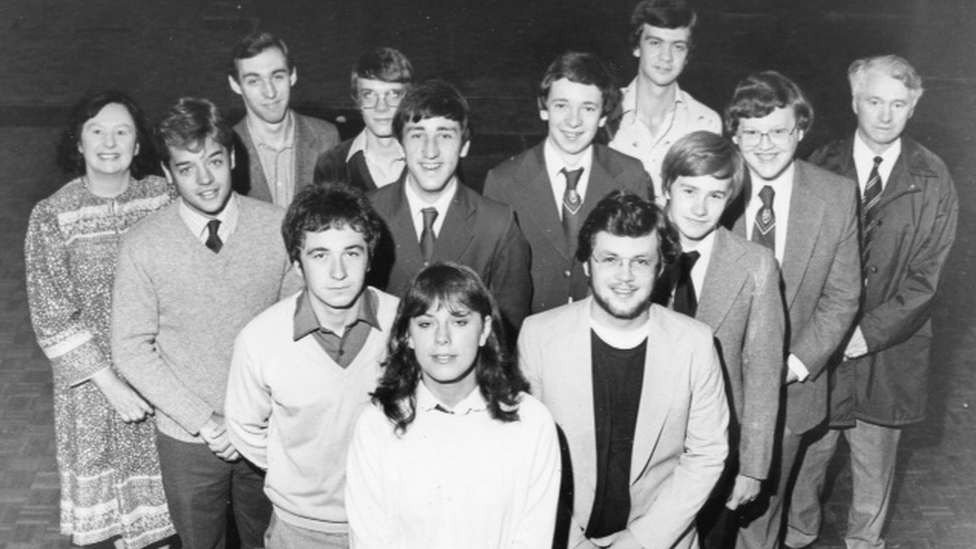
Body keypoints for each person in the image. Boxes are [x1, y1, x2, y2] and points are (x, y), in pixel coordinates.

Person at [112, 97, 302, 549]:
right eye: (186, 167)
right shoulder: (142, 245)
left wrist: (253, 418)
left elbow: (294, 330)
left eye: (214, 161)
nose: (204, 179)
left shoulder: (278, 229)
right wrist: (206, 421)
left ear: (232, 158)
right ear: (167, 172)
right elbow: (131, 348)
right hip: (188, 439)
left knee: (268, 541)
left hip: (265, 430)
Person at [785, 55, 959, 549]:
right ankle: (797, 537)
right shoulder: (819, 165)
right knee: (806, 465)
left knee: (873, 472)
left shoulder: (932, 178)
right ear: (854, 101)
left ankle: (866, 544)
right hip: (822, 353)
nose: (885, 115)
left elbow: (928, 279)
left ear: (913, 108)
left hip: (890, 352)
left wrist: (867, 334)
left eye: (898, 104)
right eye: (875, 101)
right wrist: (827, 337)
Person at [519, 191, 729, 549]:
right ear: (587, 264)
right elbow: (526, 457)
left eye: (641, 262)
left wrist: (640, 542)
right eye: (610, 259)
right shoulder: (538, 336)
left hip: (661, 540)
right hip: (562, 537)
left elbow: (708, 454)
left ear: (660, 267)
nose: (625, 276)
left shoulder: (695, 343)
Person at [25, 91, 176, 549]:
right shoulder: (53, 213)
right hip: (91, 395)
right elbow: (50, 314)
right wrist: (111, 385)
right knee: (103, 533)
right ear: (78, 141)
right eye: (97, 130)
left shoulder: (164, 199)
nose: (108, 142)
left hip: (161, 380)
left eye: (121, 131)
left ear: (137, 144)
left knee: (170, 526)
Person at [723, 71, 862, 549]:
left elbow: (842, 297)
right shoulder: (709, 193)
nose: (765, 145)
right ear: (734, 134)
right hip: (710, 387)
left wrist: (792, 366)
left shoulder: (837, 196)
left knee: (761, 516)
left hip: (789, 392)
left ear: (800, 131)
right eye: (752, 133)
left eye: (778, 131)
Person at [225, 183, 399, 549]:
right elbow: (244, 426)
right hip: (301, 531)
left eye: (351, 253)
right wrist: (298, 474)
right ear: (296, 262)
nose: (338, 272)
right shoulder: (261, 339)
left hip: (391, 521)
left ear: (370, 257)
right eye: (320, 255)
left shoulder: (405, 325)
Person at [346, 262, 560, 549]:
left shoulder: (532, 422)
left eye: (459, 322)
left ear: (484, 330)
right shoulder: (377, 424)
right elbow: (370, 539)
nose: (442, 338)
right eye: (425, 323)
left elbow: (532, 539)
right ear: (407, 335)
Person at [651, 131, 784, 548]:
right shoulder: (637, 251)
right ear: (666, 187)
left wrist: (753, 467)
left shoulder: (756, 265)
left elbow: (762, 370)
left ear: (731, 199)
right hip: (644, 442)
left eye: (715, 195)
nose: (699, 207)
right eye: (689, 190)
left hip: (716, 449)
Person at [484, 51, 652, 314]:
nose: (573, 121)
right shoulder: (504, 180)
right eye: (562, 105)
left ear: (604, 116)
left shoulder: (630, 175)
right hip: (530, 334)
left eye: (588, 108)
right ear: (543, 109)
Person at [369, 79, 531, 337]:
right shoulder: (368, 213)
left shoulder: (497, 224)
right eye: (418, 135)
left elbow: (508, 330)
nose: (430, 151)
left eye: (444, 135)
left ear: (464, 145)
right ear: (400, 145)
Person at [608, 0, 722, 204]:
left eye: (678, 46)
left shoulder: (705, 123)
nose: (666, 57)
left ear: (688, 55)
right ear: (636, 47)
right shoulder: (604, 112)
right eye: (655, 43)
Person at [229, 31, 340, 206]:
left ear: (293, 75)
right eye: (254, 81)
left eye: (277, 76)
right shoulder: (226, 146)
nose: (270, 92)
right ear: (235, 85)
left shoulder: (327, 137)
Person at [313, 47, 414, 191]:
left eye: (393, 94)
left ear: (408, 98)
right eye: (369, 94)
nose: (381, 107)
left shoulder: (428, 157)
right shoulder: (331, 165)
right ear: (358, 100)